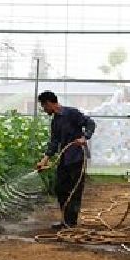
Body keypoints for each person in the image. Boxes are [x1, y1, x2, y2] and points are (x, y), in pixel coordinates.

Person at [35, 91, 96, 230]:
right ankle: (65, 220)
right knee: (60, 188)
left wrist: (84, 137)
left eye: (44, 107)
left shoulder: (71, 113)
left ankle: (71, 222)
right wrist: (44, 160)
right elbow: (54, 142)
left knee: (74, 190)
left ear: (49, 103)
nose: (44, 110)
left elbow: (90, 123)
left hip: (77, 157)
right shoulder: (55, 121)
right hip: (64, 158)